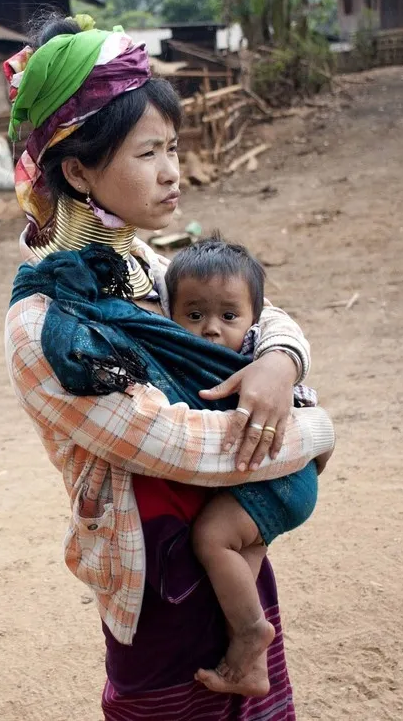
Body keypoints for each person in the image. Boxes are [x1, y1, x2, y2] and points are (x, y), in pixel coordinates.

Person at [3, 14, 336, 720]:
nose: (172, 171)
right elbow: (173, 444)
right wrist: (316, 431)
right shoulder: (46, 325)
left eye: (173, 148)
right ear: (79, 170)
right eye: (148, 152)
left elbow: (252, 309)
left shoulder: (142, 267)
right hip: (155, 581)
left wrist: (280, 358)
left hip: (232, 551)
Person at [165, 236, 323, 694]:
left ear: (255, 319)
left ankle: (253, 629)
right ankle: (250, 662)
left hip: (279, 477)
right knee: (242, 555)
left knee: (212, 538)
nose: (212, 329)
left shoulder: (251, 360)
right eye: (194, 315)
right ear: (169, 312)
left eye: (228, 316)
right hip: (279, 482)